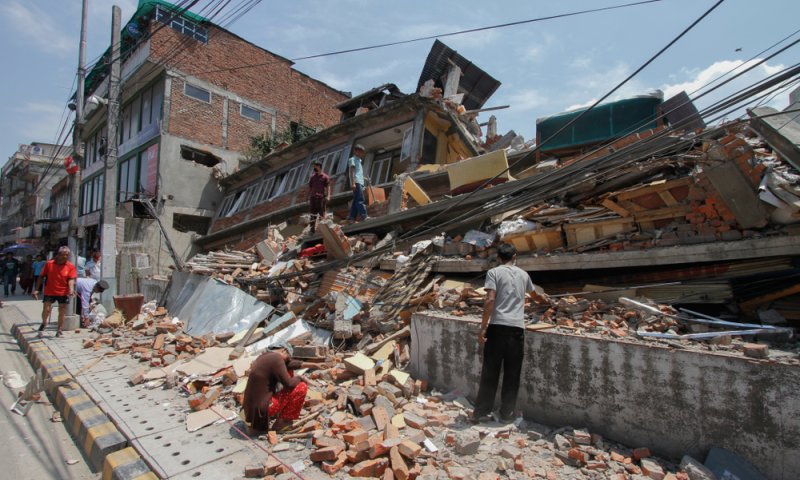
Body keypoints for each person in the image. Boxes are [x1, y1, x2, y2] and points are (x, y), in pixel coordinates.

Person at [471, 243, 543, 424]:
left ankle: (481, 412)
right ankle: (506, 414)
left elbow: (490, 300)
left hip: (497, 328)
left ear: (498, 258)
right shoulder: (524, 275)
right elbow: (535, 296)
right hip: (517, 329)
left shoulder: (494, 273)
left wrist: (483, 327)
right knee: (512, 374)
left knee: (490, 372)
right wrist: (545, 301)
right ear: (515, 257)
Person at [242, 342, 313, 433]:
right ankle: (282, 423)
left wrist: (314, 365)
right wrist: (300, 378)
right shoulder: (276, 358)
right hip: (261, 411)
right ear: (284, 351)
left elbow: (290, 364)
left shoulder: (264, 357)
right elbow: (289, 384)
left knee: (289, 371)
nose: (288, 361)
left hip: (250, 411)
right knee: (301, 386)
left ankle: (277, 415)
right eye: (288, 357)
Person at [32, 246, 77, 338]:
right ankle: (44, 323)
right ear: (58, 255)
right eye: (63, 255)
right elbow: (41, 276)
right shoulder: (49, 264)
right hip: (50, 291)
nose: (65, 257)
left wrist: (71, 289)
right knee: (46, 309)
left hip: (63, 292)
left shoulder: (70, 266)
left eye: (67, 255)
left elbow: (71, 279)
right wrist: (36, 289)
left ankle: (59, 329)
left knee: (62, 310)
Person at [346, 144, 368, 223]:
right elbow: (352, 171)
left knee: (356, 201)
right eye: (359, 151)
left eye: (361, 152)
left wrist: (364, 178)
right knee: (360, 199)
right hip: (356, 181)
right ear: (355, 151)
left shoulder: (359, 161)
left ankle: (351, 217)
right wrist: (353, 183)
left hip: (360, 181)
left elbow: (358, 172)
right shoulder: (352, 159)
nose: (360, 153)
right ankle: (364, 215)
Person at [307, 160, 331, 234]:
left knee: (321, 214)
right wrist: (307, 197)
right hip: (313, 198)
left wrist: (328, 196)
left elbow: (328, 186)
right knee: (312, 215)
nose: (314, 168)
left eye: (316, 166)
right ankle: (312, 231)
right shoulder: (312, 177)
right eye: (314, 166)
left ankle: (322, 230)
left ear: (319, 167)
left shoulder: (325, 177)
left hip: (321, 198)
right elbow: (310, 187)